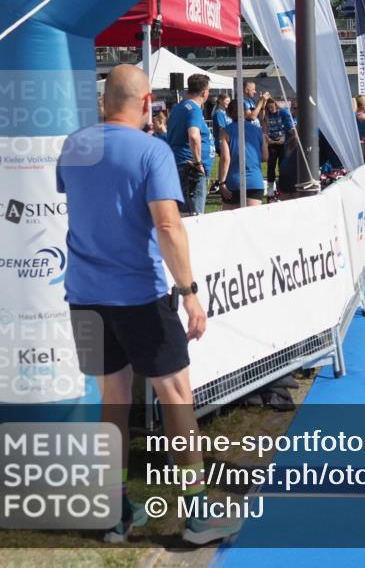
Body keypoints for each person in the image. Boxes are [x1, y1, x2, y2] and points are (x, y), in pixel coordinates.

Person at [56, 65, 239, 545]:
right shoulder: (151, 150)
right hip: (140, 295)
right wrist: (190, 292)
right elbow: (168, 226)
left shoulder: (74, 147)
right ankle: (198, 515)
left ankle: (115, 511)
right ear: (146, 103)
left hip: (85, 297)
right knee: (177, 396)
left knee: (112, 401)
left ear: (103, 100)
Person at [165, 74, 214, 216]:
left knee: (185, 214)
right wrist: (198, 163)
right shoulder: (194, 109)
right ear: (204, 92)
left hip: (181, 166)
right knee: (195, 217)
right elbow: (193, 135)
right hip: (191, 170)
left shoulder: (178, 107)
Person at [219, 99, 268, 209]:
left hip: (233, 182)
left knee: (231, 223)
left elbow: (225, 159)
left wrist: (222, 183)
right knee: (252, 223)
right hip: (254, 181)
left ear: (229, 113)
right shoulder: (258, 130)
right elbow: (265, 157)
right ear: (245, 112)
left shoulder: (225, 131)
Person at [263, 98, 296, 202]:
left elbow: (289, 129)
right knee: (271, 166)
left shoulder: (282, 112)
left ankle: (282, 188)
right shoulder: (267, 115)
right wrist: (268, 138)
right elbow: (265, 128)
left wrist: (283, 139)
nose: (270, 109)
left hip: (282, 142)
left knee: (282, 166)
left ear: (275, 105)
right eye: (268, 108)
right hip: (272, 142)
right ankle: (270, 190)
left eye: (271, 107)